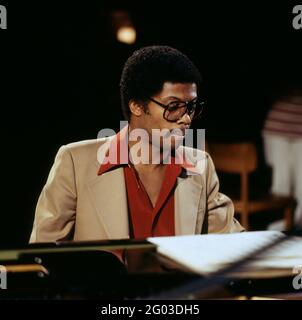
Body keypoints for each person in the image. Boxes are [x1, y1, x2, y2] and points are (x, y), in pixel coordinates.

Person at [30, 46, 243, 243]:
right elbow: (44, 255)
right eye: (174, 106)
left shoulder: (200, 166)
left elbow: (233, 245)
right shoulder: (75, 163)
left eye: (191, 107)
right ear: (137, 106)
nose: (186, 118)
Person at [262, 87, 302, 230]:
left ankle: (291, 225)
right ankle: (284, 226)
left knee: (293, 187)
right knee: (281, 187)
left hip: (281, 127)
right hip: (277, 127)